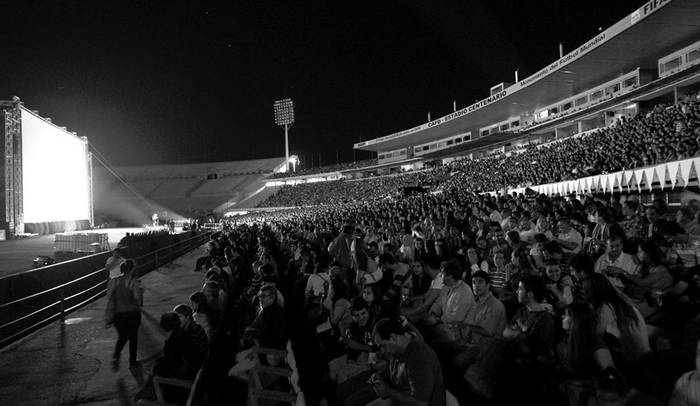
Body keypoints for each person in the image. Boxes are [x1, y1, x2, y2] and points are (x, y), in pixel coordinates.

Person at [368, 317, 445, 406]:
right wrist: (381, 375)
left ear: (393, 337)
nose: (382, 351)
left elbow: (421, 402)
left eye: (383, 346)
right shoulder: (397, 349)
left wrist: (389, 392)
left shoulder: (419, 357)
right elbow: (394, 370)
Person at [105, 260, 142, 370]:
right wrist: (140, 292)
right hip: (132, 314)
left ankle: (116, 355)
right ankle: (132, 362)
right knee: (133, 338)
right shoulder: (133, 282)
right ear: (132, 269)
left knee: (122, 336)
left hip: (118, 314)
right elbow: (137, 297)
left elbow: (109, 297)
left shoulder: (113, 282)